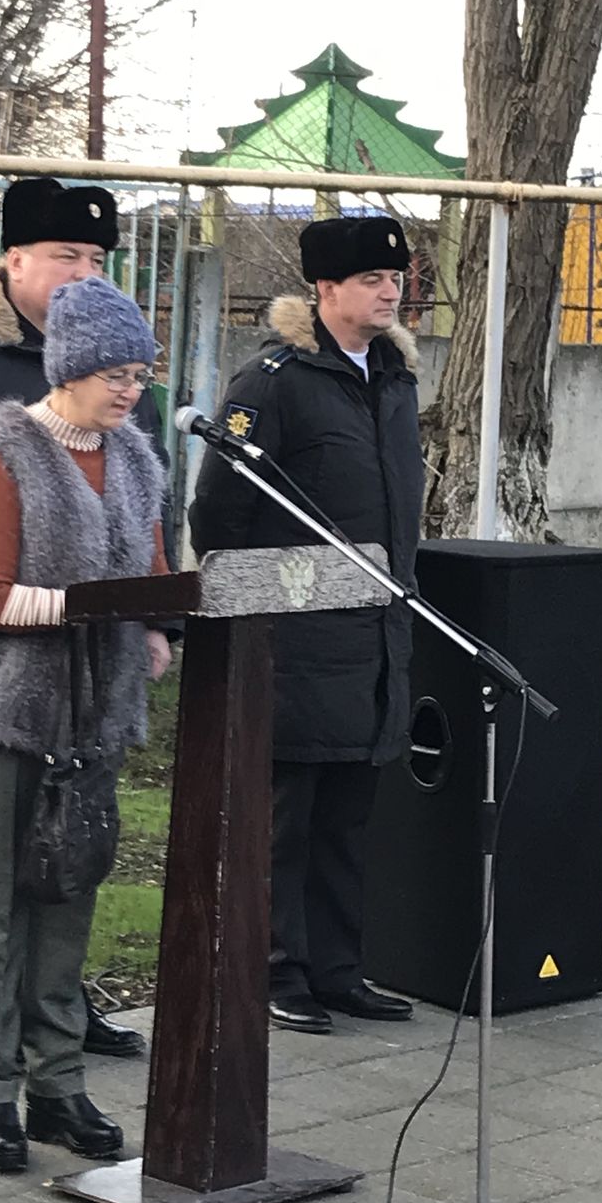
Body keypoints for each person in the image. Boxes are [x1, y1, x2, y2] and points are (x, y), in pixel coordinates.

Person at [0, 176, 168, 1058]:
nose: (83, 273)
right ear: (14, 260)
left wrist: (155, 619)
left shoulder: (121, 386)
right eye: (65, 256)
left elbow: (147, 513)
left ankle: (59, 1034)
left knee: (67, 855)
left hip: (91, 674)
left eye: (97, 258)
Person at [189, 215, 423, 1036]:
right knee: (287, 818)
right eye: (371, 280)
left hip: (376, 636)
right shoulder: (275, 381)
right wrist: (268, 609)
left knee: (349, 819)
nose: (390, 290)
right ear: (325, 290)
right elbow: (219, 511)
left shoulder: (395, 379)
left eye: (396, 279)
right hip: (297, 639)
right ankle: (276, 969)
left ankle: (338, 968)